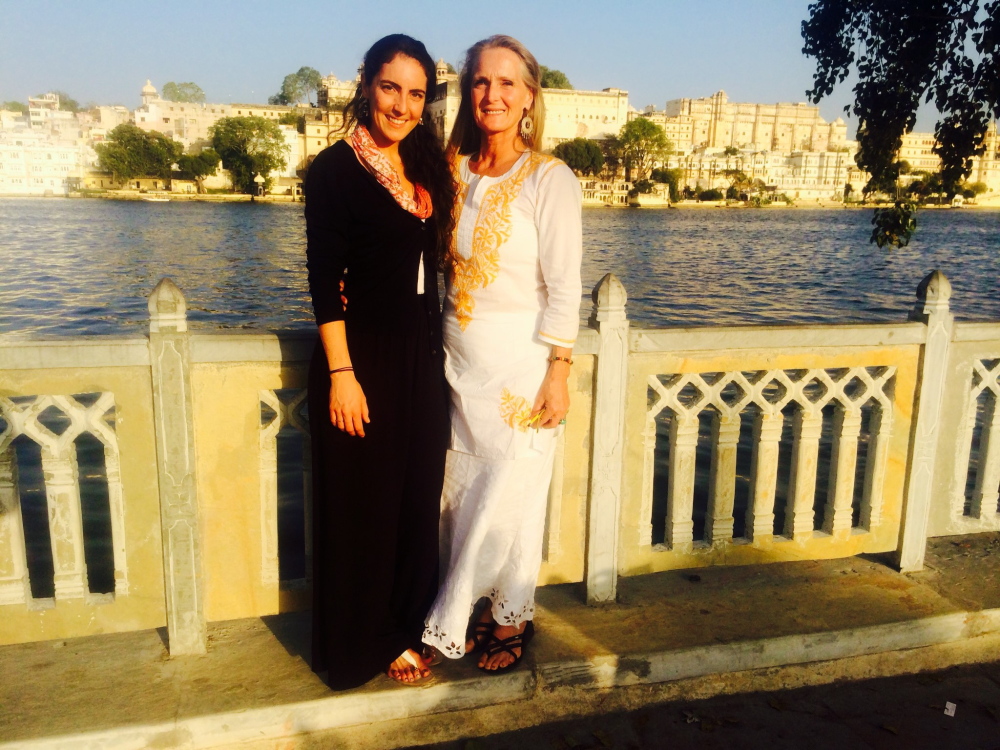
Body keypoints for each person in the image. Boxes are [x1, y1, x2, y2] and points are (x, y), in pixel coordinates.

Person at [422, 35, 583, 673]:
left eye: (507, 83)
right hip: (456, 360)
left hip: (522, 364)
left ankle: (506, 616)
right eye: (481, 82)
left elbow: (566, 286)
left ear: (529, 97)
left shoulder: (550, 178)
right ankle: (464, 608)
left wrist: (559, 372)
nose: (492, 94)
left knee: (510, 493)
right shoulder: (452, 168)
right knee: (460, 492)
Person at [305, 33, 455, 689]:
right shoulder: (335, 171)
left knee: (416, 497)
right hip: (361, 359)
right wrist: (342, 375)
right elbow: (322, 278)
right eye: (390, 88)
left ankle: (407, 621)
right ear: (367, 84)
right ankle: (361, 641)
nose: (400, 105)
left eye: (415, 93)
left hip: (421, 357)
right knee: (365, 504)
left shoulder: (421, 165)